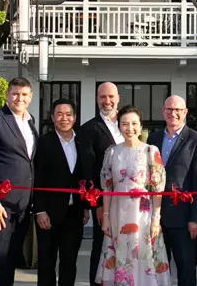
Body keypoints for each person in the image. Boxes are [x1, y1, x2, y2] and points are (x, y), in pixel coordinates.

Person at [96, 105, 171, 286]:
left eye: (134, 124)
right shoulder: (112, 152)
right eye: (125, 124)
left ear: (140, 125)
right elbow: (107, 187)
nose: (130, 128)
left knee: (142, 253)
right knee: (121, 253)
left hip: (143, 214)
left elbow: (158, 188)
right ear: (119, 126)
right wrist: (105, 217)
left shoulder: (150, 151)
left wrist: (156, 219)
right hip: (116, 213)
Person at [0, 77, 39, 286]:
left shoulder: (31, 123)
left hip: (22, 206)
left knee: (10, 259)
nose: (19, 98)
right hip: (0, 206)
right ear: (7, 95)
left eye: (24, 95)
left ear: (30, 98)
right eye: (15, 94)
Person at [146, 96, 197, 286]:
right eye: (169, 109)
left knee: (185, 268)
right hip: (155, 217)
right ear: (163, 111)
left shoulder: (196, 140)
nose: (173, 113)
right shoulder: (153, 138)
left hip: (183, 218)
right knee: (155, 268)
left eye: (178, 110)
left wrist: (196, 218)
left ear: (185, 112)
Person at [33, 99, 95, 286]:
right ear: (52, 118)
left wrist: (85, 207)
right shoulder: (43, 143)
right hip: (48, 214)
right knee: (46, 262)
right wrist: (40, 210)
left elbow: (84, 176)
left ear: (75, 118)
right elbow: (36, 178)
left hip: (74, 213)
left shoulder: (83, 143)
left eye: (68, 114)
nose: (64, 118)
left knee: (69, 262)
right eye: (59, 114)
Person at [80, 82, 124, 286]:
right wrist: (96, 205)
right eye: (102, 97)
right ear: (97, 99)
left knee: (125, 246)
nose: (107, 101)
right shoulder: (89, 128)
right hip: (104, 202)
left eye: (111, 97)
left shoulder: (128, 124)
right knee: (101, 247)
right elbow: (89, 170)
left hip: (128, 200)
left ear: (118, 98)